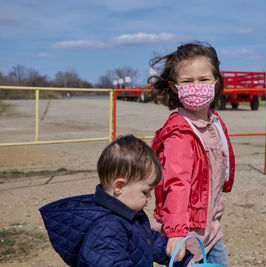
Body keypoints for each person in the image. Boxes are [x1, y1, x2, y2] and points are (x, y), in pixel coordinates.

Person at [39, 135, 193, 267]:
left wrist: (182, 258)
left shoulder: (131, 216)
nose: (149, 197)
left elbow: (150, 242)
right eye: (145, 191)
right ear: (119, 186)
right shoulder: (106, 228)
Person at [148, 41, 235, 266]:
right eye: (187, 81)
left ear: (216, 81)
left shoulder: (214, 121)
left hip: (212, 228)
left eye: (203, 79)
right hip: (186, 233)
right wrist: (176, 232)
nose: (196, 85)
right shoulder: (180, 132)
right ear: (175, 86)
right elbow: (176, 184)